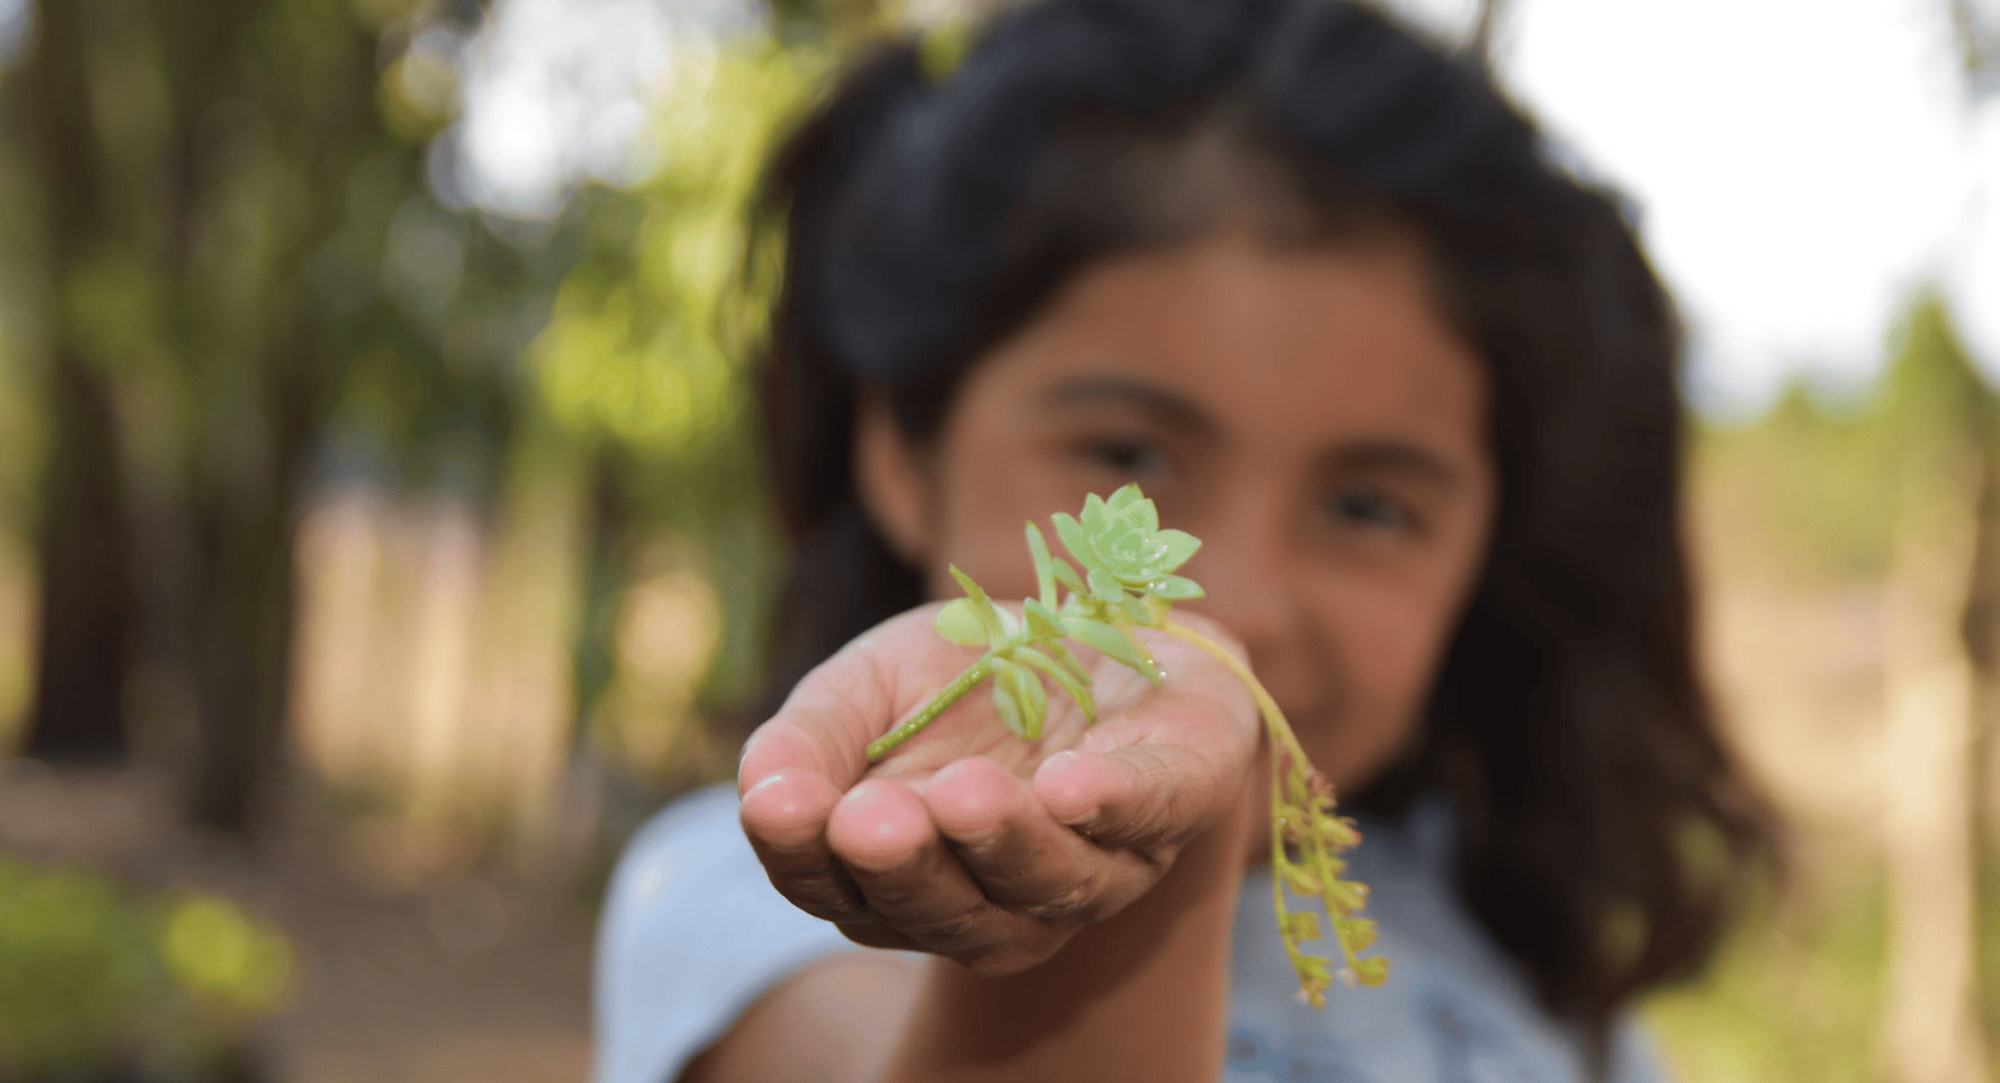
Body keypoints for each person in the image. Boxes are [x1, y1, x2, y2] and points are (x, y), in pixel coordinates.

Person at [593, 0, 1776, 1080]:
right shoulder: (752, 896)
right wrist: (1152, 825)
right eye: (1128, 457)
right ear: (901, 449)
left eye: (1366, 507)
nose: (1238, 604)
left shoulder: (1534, 974)